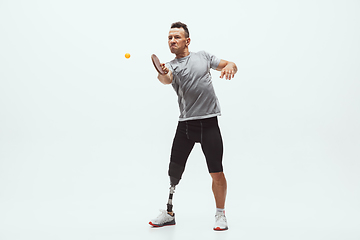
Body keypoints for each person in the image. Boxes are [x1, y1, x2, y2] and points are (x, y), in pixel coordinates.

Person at [149, 22, 237, 231]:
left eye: (176, 37)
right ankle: (169, 213)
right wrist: (161, 72)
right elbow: (165, 79)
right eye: (169, 38)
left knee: (216, 171)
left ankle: (220, 215)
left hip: (209, 123)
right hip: (186, 126)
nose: (172, 41)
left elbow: (228, 64)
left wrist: (231, 66)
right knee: (174, 171)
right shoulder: (170, 66)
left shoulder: (203, 57)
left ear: (187, 41)